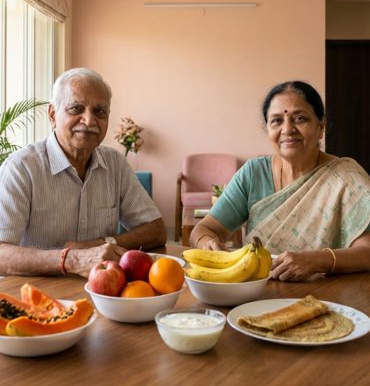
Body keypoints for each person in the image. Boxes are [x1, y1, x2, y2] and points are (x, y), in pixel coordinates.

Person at [190, 80, 370, 282]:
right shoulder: (253, 173)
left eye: (300, 118)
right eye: (276, 121)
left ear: (321, 127)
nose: (287, 129)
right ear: (267, 128)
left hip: (328, 294)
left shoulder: (346, 177)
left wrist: (317, 260)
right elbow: (204, 229)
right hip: (258, 292)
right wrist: (208, 243)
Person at [0, 68, 166, 277]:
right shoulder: (21, 168)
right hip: (37, 296)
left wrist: (103, 244)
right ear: (52, 114)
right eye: (76, 108)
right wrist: (72, 259)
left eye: (99, 111)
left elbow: (157, 230)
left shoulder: (115, 163)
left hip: (105, 293)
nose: (89, 121)